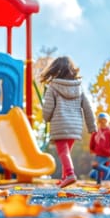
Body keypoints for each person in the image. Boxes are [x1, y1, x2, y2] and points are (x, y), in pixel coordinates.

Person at [40, 56, 96, 188]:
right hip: (74, 126)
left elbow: (48, 108)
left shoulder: (53, 87)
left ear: (56, 70)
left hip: (60, 125)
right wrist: (91, 126)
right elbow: (87, 108)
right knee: (66, 152)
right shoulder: (79, 88)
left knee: (62, 152)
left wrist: (46, 118)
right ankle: (65, 177)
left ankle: (70, 174)